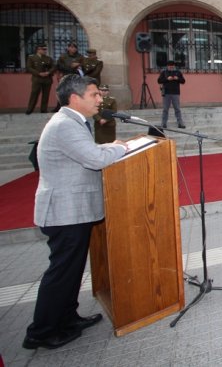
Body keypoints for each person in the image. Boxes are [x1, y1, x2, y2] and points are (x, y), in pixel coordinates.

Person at [22, 74, 128, 351]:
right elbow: (93, 159)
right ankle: (41, 331)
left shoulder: (71, 122)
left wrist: (110, 147)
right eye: (94, 94)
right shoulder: (65, 125)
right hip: (64, 212)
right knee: (61, 272)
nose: (100, 99)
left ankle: (66, 318)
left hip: (73, 211)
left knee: (71, 271)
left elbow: (89, 151)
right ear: (74, 98)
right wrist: (122, 148)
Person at [25, 44, 56, 114]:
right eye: (43, 49)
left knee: (46, 95)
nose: (45, 51)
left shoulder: (48, 58)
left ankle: (43, 109)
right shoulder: (32, 58)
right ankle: (30, 109)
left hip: (47, 79)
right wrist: (38, 73)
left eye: (45, 49)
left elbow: (53, 67)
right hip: (37, 79)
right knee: (34, 94)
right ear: (38, 49)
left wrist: (49, 72)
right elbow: (29, 67)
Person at [158, 60, 186, 128]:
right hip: (166, 93)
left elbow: (183, 81)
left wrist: (177, 78)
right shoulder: (164, 72)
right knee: (165, 109)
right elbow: (159, 81)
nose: (171, 67)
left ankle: (180, 123)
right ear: (167, 66)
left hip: (175, 93)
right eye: (170, 65)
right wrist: (167, 79)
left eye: (172, 65)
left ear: (174, 66)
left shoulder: (178, 72)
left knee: (177, 109)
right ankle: (163, 123)